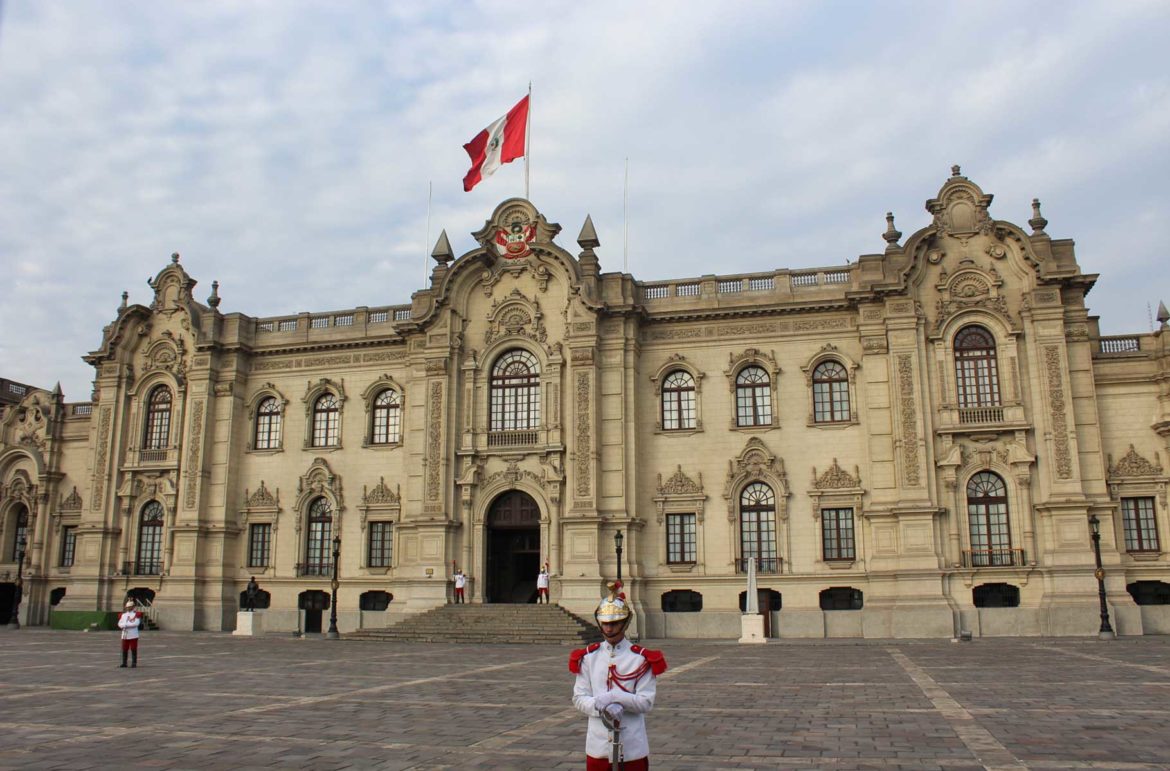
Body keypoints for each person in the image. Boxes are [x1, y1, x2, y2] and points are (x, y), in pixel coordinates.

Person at [569, 580, 667, 771]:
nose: (609, 629)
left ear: (625, 622)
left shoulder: (641, 659)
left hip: (631, 747)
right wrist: (599, 705)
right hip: (598, 747)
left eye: (614, 623)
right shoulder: (589, 658)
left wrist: (616, 697)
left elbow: (646, 702)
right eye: (605, 623)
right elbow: (579, 697)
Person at [118, 599, 143, 668]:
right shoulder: (123, 615)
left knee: (133, 648)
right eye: (127, 607)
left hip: (133, 634)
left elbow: (136, 623)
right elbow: (119, 623)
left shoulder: (136, 615)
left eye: (130, 607)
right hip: (125, 634)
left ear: (133, 607)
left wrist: (126, 625)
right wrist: (122, 625)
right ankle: (124, 662)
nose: (128, 608)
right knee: (124, 648)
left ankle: (134, 662)